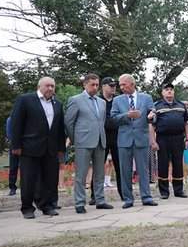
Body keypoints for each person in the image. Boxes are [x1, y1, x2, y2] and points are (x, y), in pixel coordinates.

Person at [10, 76, 66, 218]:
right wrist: (16, 145)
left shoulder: (57, 104)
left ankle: (46, 206)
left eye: (53, 86)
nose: (50, 89)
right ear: (39, 86)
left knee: (50, 179)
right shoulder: (25, 100)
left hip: (51, 148)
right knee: (29, 179)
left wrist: (61, 149)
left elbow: (60, 128)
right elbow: (16, 123)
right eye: (47, 86)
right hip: (29, 147)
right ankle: (27, 208)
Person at [64, 73, 113, 213]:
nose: (95, 87)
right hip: (83, 142)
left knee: (99, 173)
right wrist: (75, 139)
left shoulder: (102, 102)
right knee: (81, 174)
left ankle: (100, 200)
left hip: (100, 141)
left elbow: (101, 121)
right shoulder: (76, 100)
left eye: (97, 85)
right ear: (84, 84)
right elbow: (69, 122)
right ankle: (79, 203)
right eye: (92, 84)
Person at [110, 74, 158, 208]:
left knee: (143, 169)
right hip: (124, 139)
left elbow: (153, 115)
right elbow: (113, 118)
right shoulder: (117, 100)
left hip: (141, 138)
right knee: (125, 170)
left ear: (132, 84)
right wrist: (127, 115)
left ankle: (146, 197)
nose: (121, 87)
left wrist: (151, 116)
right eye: (120, 85)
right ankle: (128, 199)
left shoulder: (146, 98)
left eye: (123, 84)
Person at [150, 83, 188, 199]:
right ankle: (164, 191)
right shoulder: (156, 106)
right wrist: (153, 141)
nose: (169, 91)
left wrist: (187, 139)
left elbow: (186, 124)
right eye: (166, 90)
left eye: (171, 90)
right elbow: (151, 126)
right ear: (162, 92)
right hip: (162, 139)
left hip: (178, 138)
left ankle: (178, 190)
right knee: (163, 164)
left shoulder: (181, 105)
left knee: (178, 164)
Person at [90, 77, 123, 204]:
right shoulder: (97, 101)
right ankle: (95, 195)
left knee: (120, 167)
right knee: (99, 167)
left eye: (114, 85)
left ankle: (124, 194)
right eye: (110, 85)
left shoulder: (118, 100)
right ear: (103, 86)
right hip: (101, 136)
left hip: (117, 136)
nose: (113, 87)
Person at [5, 116, 19, 196]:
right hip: (14, 145)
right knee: (13, 167)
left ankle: (27, 187)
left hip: (25, 145)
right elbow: (9, 134)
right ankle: (12, 187)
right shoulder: (10, 119)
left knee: (26, 168)